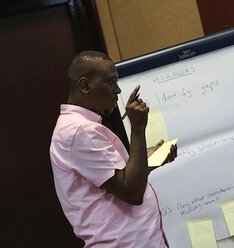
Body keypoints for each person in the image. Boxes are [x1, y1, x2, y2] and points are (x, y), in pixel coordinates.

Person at [50, 50, 177, 247]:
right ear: (85, 85)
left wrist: (147, 161)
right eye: (110, 82)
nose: (117, 90)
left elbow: (117, 178)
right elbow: (131, 192)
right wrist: (137, 128)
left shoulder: (82, 127)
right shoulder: (81, 131)